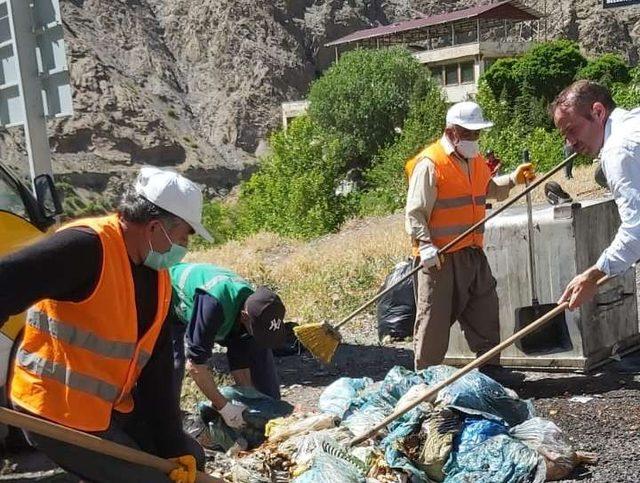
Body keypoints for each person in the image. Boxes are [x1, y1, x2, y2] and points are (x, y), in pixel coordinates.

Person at [0, 167, 213, 483]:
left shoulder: (156, 274)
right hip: (54, 409)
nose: (184, 246)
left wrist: (171, 447)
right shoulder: (85, 247)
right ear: (156, 227)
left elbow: (158, 370)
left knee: (190, 459)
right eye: (182, 236)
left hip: (104, 409)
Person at [405, 101, 535, 376]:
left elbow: (487, 189)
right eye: (469, 134)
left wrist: (513, 179)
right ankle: (427, 380)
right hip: (440, 258)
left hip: (473, 253)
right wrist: (425, 245)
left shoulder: (475, 162)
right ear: (451, 132)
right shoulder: (430, 163)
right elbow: (415, 212)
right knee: (434, 322)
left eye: (477, 134)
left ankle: (491, 372)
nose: (474, 140)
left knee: (485, 313)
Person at [550, 80, 640, 309]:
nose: (571, 143)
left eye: (572, 130)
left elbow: (637, 229)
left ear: (598, 111)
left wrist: (593, 276)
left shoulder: (618, 149)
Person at [169, 263, 286, 429]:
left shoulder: (256, 308)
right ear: (244, 317)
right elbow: (195, 366)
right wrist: (225, 407)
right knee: (173, 363)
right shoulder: (213, 305)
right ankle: (168, 423)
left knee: (258, 351)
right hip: (170, 296)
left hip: (223, 310)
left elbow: (240, 365)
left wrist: (251, 406)